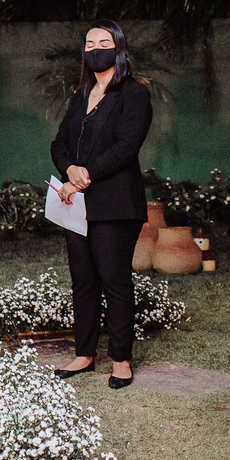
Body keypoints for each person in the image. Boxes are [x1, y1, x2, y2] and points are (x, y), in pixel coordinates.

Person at [51, 20, 153, 389]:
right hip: (76, 204)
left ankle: (121, 359)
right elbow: (59, 143)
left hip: (115, 204)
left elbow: (126, 147)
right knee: (83, 281)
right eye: (89, 43)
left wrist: (85, 175)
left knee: (114, 280)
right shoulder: (81, 96)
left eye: (103, 42)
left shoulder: (133, 94)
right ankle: (84, 354)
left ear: (119, 48)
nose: (95, 48)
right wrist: (69, 168)